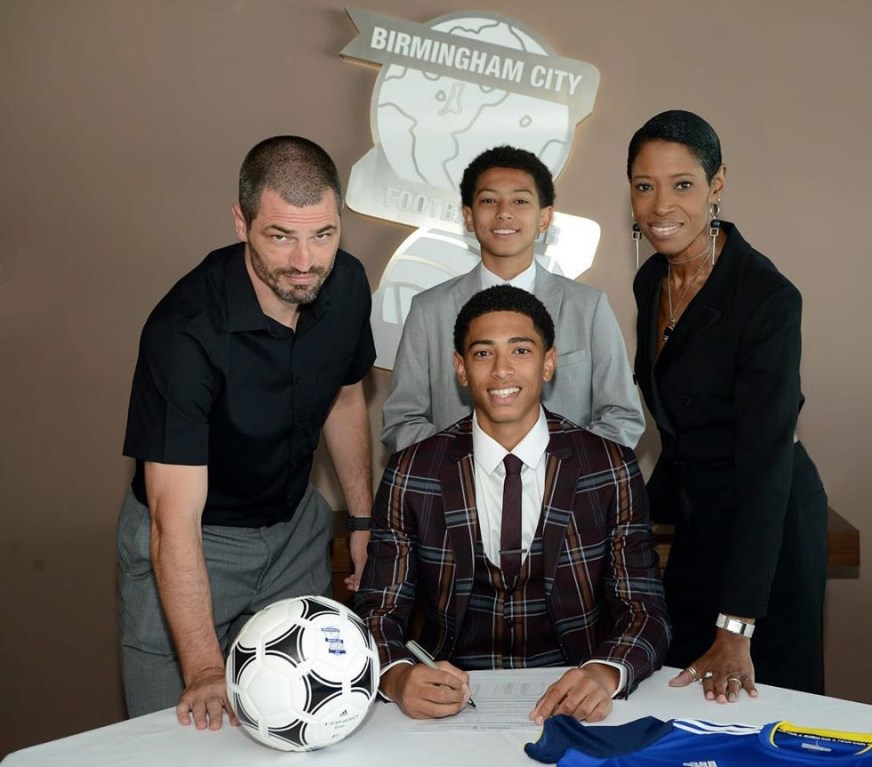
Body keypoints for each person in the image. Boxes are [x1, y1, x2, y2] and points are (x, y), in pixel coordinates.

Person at [118, 136, 376, 728]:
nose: (306, 261)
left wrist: (361, 521)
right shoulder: (183, 333)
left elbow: (343, 395)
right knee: (174, 744)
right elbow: (171, 517)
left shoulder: (348, 283)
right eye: (281, 236)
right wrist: (206, 669)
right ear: (241, 223)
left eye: (323, 234)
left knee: (298, 731)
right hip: (195, 543)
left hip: (294, 533)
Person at [355, 285, 670, 722]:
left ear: (549, 363)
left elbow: (645, 608)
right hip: (448, 700)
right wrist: (396, 676)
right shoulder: (413, 472)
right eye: (483, 354)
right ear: (461, 369)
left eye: (521, 350)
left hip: (577, 695)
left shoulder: (609, 467)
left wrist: (604, 670)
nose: (502, 370)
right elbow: (378, 610)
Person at [627, 110, 828, 700]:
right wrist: (625, 518)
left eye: (682, 184)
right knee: (680, 691)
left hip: (769, 533)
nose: (661, 206)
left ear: (717, 185)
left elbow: (766, 468)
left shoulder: (767, 297)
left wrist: (739, 624)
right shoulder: (650, 283)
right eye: (644, 186)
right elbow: (679, 428)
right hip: (699, 520)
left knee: (767, 704)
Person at [380, 145, 644, 455]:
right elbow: (403, 420)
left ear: (545, 218)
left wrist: (559, 472)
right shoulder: (429, 310)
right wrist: (471, 469)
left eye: (520, 201)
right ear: (468, 216)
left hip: (566, 495)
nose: (504, 212)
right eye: (489, 200)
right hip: (459, 495)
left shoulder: (588, 307)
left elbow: (621, 416)